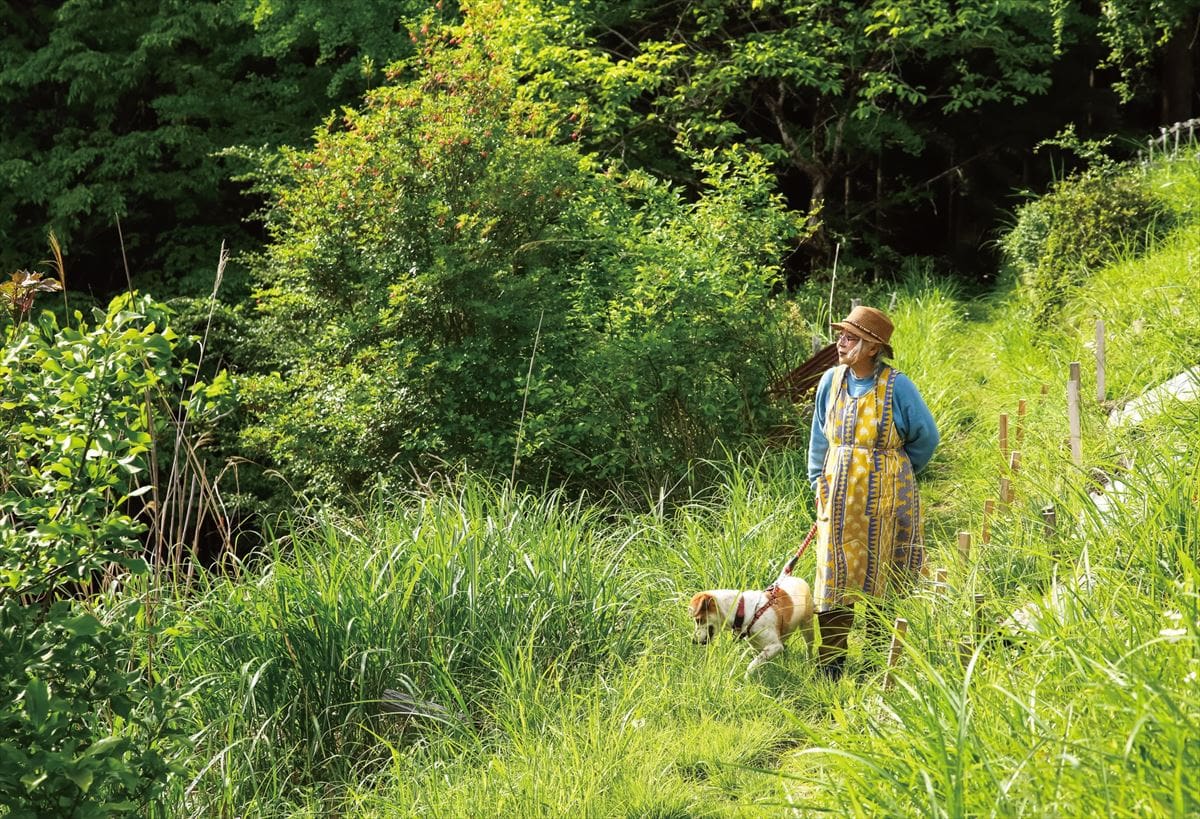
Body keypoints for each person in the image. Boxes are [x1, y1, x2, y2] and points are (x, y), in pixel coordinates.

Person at [807, 305, 939, 680]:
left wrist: (895, 469)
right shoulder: (830, 382)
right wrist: (817, 479)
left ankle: (881, 657)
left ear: (872, 347)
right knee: (833, 577)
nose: (841, 342)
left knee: (885, 574)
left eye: (851, 337)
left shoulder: (898, 386)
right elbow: (820, 438)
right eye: (842, 335)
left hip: (886, 499)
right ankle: (831, 662)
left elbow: (926, 438)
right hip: (836, 499)